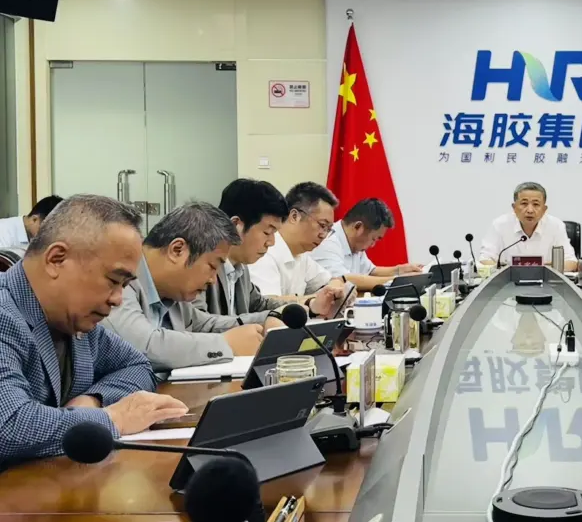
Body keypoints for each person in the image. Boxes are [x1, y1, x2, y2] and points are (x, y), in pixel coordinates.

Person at [0, 195, 187, 469]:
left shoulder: (76, 321)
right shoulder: (5, 313)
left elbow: (137, 366)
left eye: (124, 285)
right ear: (56, 259)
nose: (118, 299)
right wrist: (113, 419)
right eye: (113, 280)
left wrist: (93, 401)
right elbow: (8, 425)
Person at [101, 203, 267, 372]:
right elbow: (143, 346)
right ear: (177, 250)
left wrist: (266, 320)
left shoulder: (173, 293)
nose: (213, 280)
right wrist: (226, 344)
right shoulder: (121, 277)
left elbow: (206, 325)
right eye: (212, 266)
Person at [194, 179, 338, 322]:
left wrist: (310, 306)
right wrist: (259, 321)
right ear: (236, 225)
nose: (271, 242)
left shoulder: (240, 267)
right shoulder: (201, 264)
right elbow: (200, 324)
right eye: (267, 232)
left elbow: (260, 305)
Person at [248, 182, 347, 304]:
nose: (323, 235)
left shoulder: (301, 254)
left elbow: (332, 281)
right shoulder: (265, 251)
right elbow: (268, 304)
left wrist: (335, 286)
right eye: (322, 225)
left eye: (328, 229)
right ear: (294, 216)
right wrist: (316, 299)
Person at [311, 198, 423, 291]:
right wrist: (399, 281)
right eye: (374, 239)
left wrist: (401, 269)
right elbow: (343, 280)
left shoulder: (354, 243)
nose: (373, 245)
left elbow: (370, 272)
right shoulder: (327, 242)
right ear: (358, 227)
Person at [477, 182, 579, 271]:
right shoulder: (500, 225)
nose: (530, 210)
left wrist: (537, 268)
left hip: (548, 284)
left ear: (544, 209)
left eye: (536, 204)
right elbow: (484, 260)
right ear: (514, 207)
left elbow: (571, 263)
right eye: (524, 203)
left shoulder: (556, 226)